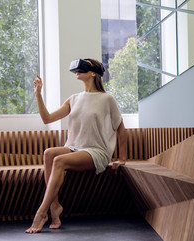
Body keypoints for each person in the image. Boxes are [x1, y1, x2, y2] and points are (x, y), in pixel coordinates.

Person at [25, 58, 127, 233]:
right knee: (49, 153)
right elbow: (47, 119)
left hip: (96, 151)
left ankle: (41, 212)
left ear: (93, 73)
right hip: (75, 147)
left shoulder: (107, 99)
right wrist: (38, 94)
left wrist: (122, 159)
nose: (77, 71)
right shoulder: (73, 99)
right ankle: (55, 207)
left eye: (83, 68)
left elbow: (121, 129)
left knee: (59, 161)